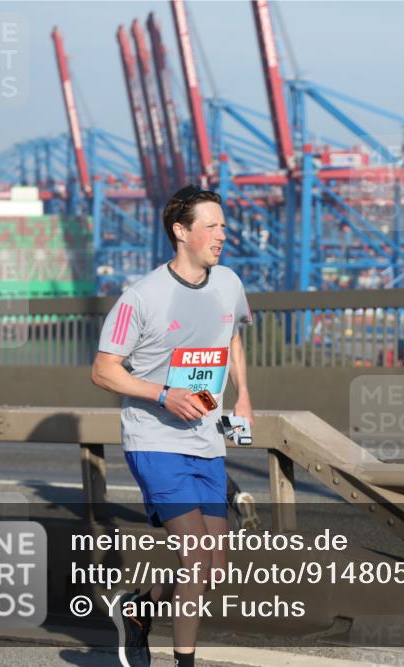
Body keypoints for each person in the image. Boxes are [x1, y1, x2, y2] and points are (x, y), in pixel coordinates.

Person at [91, 185, 255, 667]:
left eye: (223, 225)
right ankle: (184, 662)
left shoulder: (228, 282)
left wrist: (244, 396)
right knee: (196, 557)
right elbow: (104, 370)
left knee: (214, 569)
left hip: (206, 441)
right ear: (181, 232)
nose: (222, 234)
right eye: (211, 225)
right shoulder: (141, 298)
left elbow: (233, 339)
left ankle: (139, 609)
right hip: (155, 440)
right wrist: (164, 394)